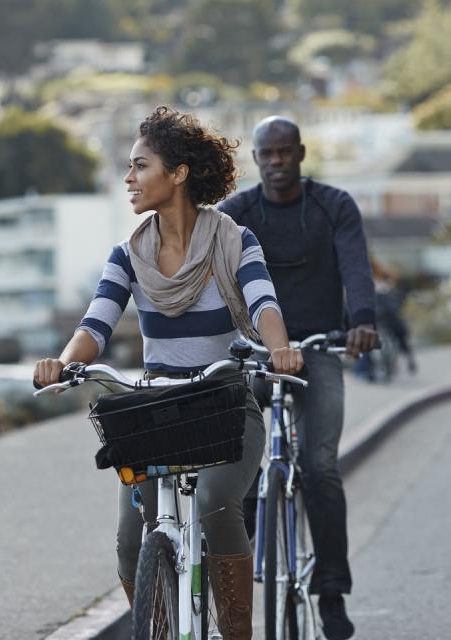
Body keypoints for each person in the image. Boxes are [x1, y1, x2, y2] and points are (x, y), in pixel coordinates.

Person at [33, 106, 303, 640]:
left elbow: (263, 302)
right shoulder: (129, 255)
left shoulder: (233, 240)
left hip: (225, 402)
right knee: (131, 542)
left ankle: (235, 634)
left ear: (177, 174)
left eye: (140, 166)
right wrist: (64, 363)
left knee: (216, 502)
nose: (129, 179)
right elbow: (97, 321)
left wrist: (280, 349)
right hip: (158, 408)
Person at [219, 116, 378, 640]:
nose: (276, 162)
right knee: (234, 464)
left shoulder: (334, 206)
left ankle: (330, 591)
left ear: (301, 154)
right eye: (266, 153)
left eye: (285, 152)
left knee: (320, 467)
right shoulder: (237, 214)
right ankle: (236, 576)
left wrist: (361, 321)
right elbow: (212, 274)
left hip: (319, 348)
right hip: (259, 353)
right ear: (257, 158)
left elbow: (355, 266)